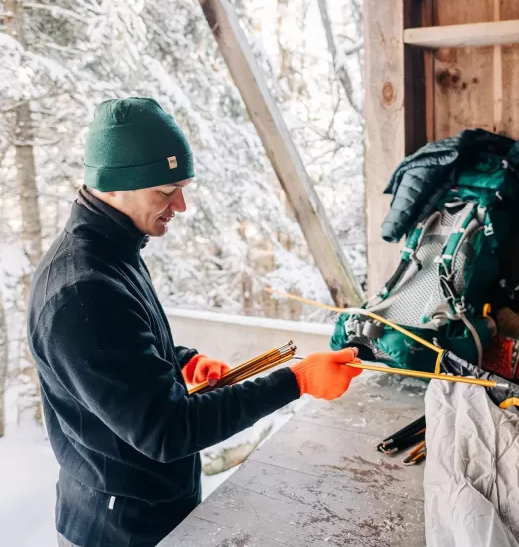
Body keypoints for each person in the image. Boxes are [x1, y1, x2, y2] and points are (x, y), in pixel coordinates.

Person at [27, 97, 362, 547]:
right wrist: (297, 380)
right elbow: (167, 431)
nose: (180, 206)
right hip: (121, 528)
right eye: (165, 192)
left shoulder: (113, 251)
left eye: (181, 188)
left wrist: (180, 361)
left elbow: (120, 353)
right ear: (114, 185)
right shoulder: (82, 290)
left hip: (144, 506)